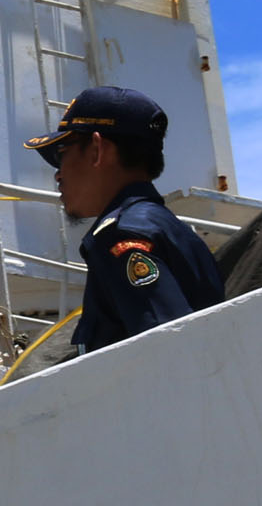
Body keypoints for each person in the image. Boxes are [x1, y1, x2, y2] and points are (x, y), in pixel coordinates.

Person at [28, 86, 223, 356]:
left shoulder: (123, 234)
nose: (58, 175)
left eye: (61, 155)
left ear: (97, 149)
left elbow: (165, 348)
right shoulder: (172, 231)